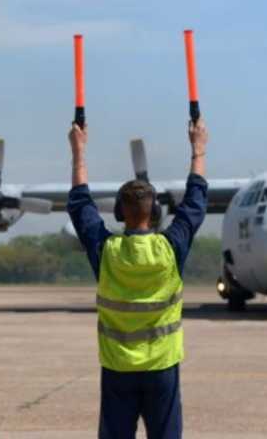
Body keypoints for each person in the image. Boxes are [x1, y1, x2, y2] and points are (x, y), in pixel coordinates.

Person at [67, 119, 209, 439]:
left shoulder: (106, 252)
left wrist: (78, 152)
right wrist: (198, 149)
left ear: (119, 212)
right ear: (155, 212)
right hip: (161, 368)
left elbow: (79, 203)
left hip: (118, 369)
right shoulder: (170, 249)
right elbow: (196, 202)